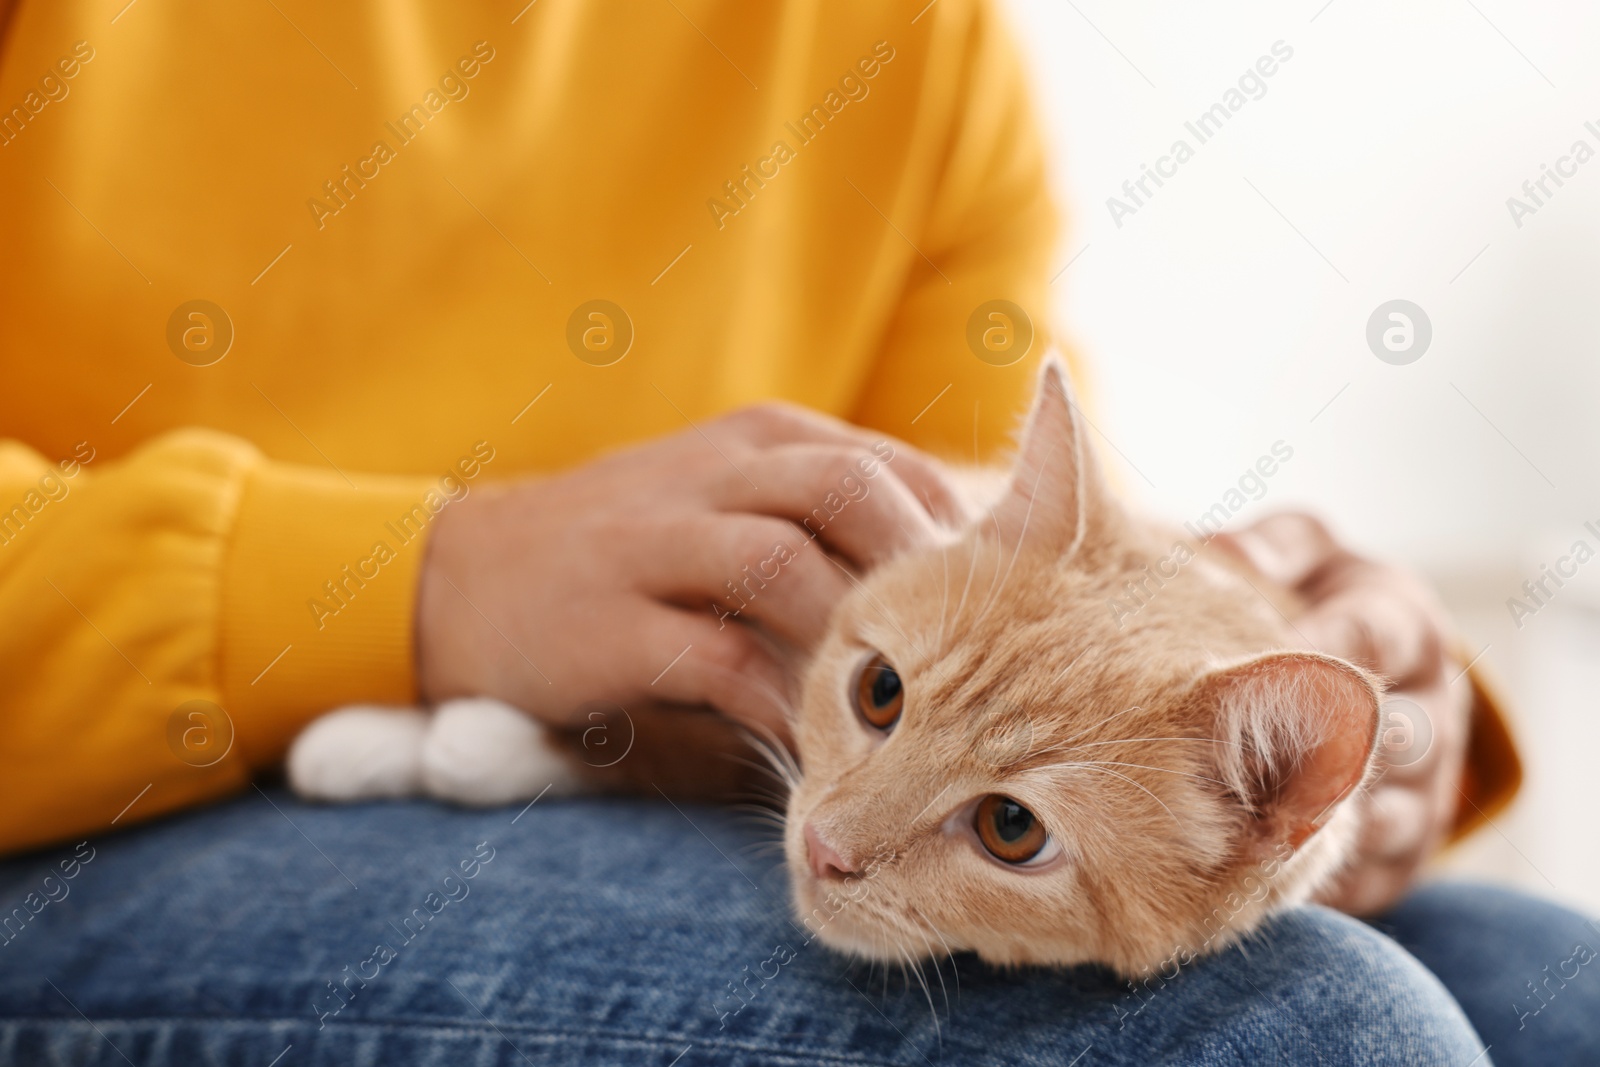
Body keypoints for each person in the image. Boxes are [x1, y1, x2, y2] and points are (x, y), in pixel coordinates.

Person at [0, 1, 1590, 1063]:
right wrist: (424, 580)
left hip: (667, 791)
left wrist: (1317, 707)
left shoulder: (918, 36)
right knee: (1301, 1038)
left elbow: (1005, 530)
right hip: (86, 814)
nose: (835, 840)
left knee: (1560, 996)